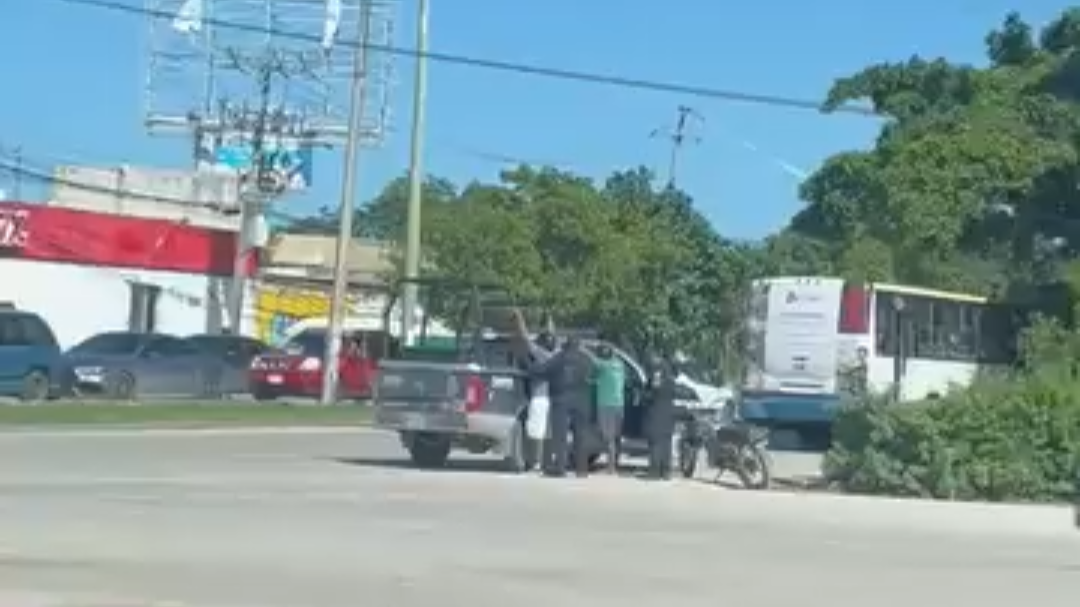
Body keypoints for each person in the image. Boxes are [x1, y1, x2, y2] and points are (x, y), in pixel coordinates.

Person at [528, 336, 596, 477]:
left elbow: (542, 370)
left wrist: (530, 365)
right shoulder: (587, 359)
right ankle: (582, 469)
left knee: (560, 436)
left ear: (566, 346)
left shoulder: (559, 358)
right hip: (582, 401)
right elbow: (595, 374)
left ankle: (560, 468)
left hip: (561, 400)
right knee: (582, 436)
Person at [593, 343, 626, 474]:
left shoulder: (603, 366)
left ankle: (611, 468)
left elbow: (593, 363)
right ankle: (614, 464)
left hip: (606, 405)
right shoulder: (621, 366)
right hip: (619, 405)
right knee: (616, 437)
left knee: (609, 438)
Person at [645, 350, 678, 480]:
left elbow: (655, 389)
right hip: (668, 409)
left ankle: (654, 471)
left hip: (657, 408)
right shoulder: (670, 372)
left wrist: (646, 395)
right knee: (666, 441)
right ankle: (666, 471)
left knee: (656, 441)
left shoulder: (657, 370)